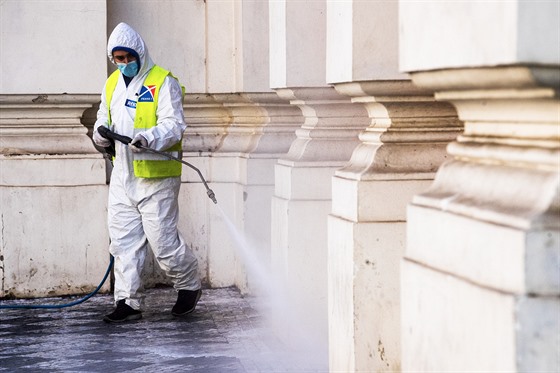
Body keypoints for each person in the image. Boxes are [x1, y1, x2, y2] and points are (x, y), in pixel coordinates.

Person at [92, 22, 201, 323]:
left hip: (157, 178)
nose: (124, 64)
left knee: (163, 242)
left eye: (128, 58)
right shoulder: (112, 84)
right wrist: (100, 136)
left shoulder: (163, 82)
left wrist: (148, 137)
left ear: (140, 53)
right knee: (123, 242)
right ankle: (127, 302)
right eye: (118, 59)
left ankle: (189, 284)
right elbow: (103, 117)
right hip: (123, 176)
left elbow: (174, 124)